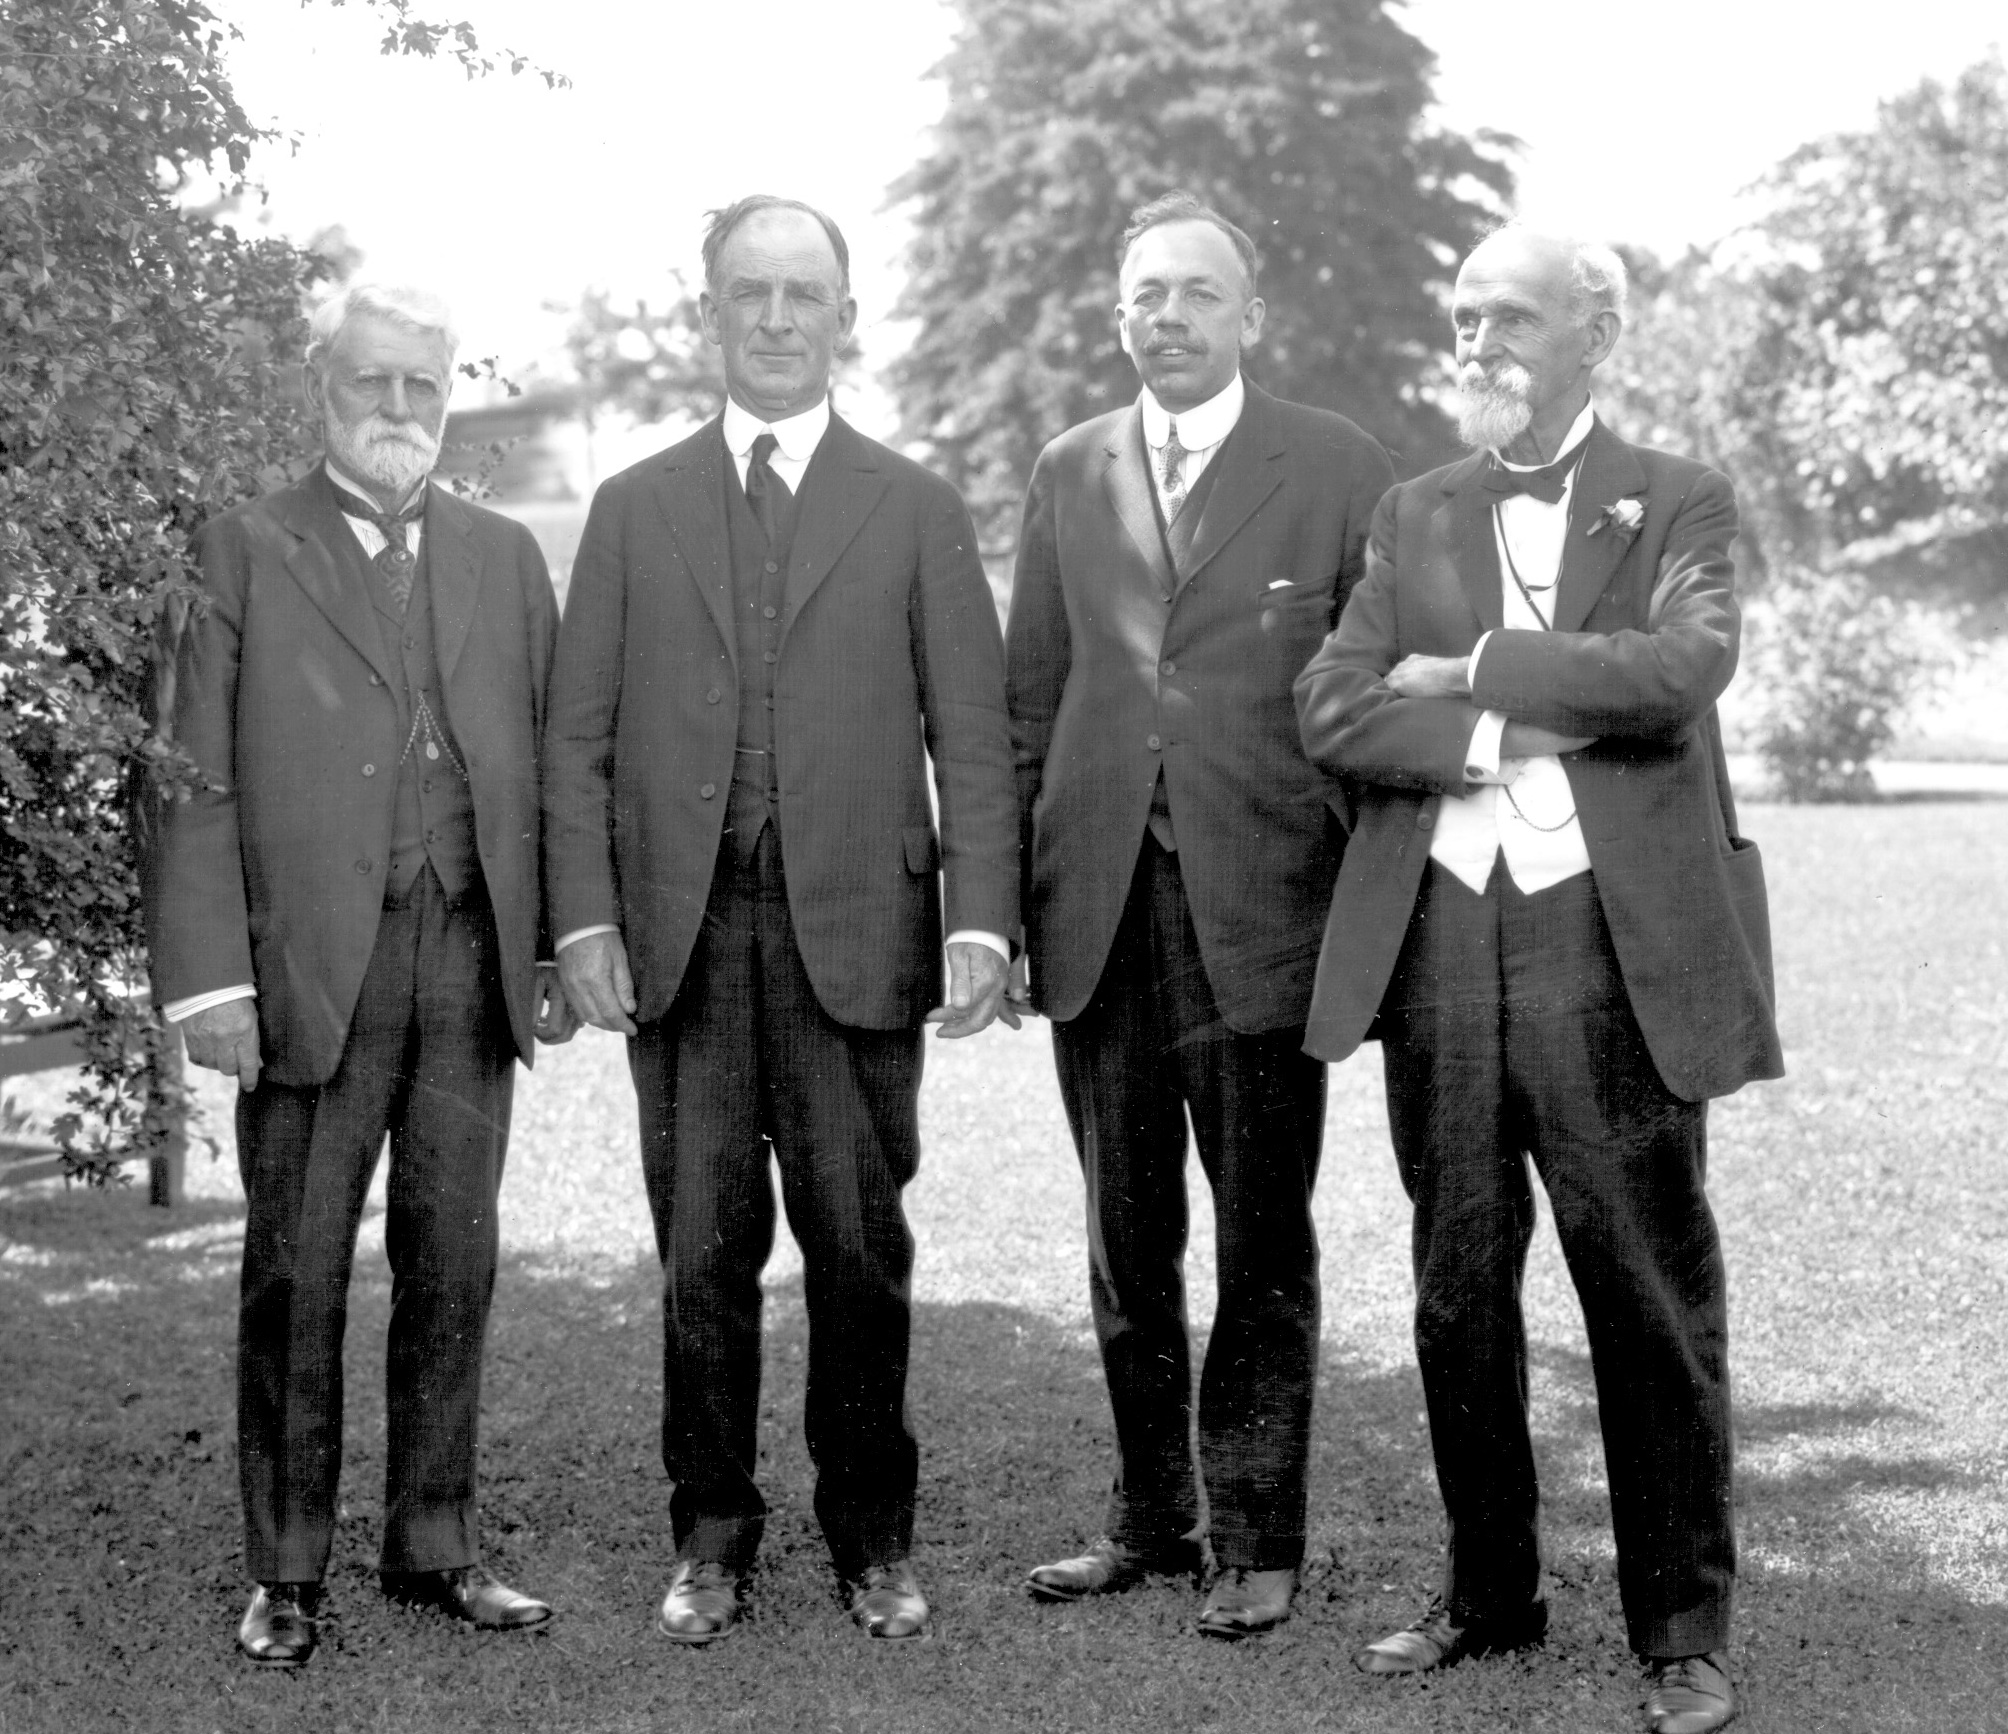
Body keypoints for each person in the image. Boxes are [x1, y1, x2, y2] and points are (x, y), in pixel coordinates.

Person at [1294, 224, 1783, 1733]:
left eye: (1509, 318)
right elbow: (1329, 703)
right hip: (1441, 939)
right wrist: (1501, 729)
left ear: (1596, 332)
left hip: (1612, 946)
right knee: (1455, 1289)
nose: (1477, 344)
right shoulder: (1415, 510)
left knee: (1643, 1287)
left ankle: (1682, 1629)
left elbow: (1678, 670)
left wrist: (1477, 664)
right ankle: (1490, 1592)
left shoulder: (1680, 496)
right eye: (1462, 319)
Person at [543, 196, 1018, 1646]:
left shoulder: (918, 507)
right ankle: (711, 1534)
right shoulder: (634, 505)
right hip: (682, 938)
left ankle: (874, 1536)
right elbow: (578, 741)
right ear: (707, 316)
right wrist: (582, 924)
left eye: (803, 292)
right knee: (699, 1254)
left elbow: (978, 742)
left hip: (859, 934)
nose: (775, 317)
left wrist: (983, 923)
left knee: (860, 1249)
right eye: (747, 292)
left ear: (845, 316)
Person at [148, 282, 573, 1668]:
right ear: (321, 392)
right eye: (372, 385)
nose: (399, 412)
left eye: (421, 389)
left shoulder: (504, 553)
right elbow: (189, 783)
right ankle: (284, 1566)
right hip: (305, 972)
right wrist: (209, 984)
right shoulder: (242, 546)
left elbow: (557, 764)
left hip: (467, 959)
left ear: (447, 400)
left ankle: (434, 1540)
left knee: (455, 1258)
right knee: (296, 1270)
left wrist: (560, 940)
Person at [1006, 192, 1393, 1639]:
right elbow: (1029, 700)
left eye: (1196, 294)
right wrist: (1016, 909)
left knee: (1261, 1238)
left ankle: (1258, 1530)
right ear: (1119, 318)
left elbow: (1379, 694)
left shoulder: (1338, 466)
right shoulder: (1069, 468)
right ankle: (1150, 1520)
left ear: (1250, 316)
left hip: (1263, 918)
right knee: (1124, 1238)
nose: (1166, 315)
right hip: (1097, 914)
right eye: (1144, 295)